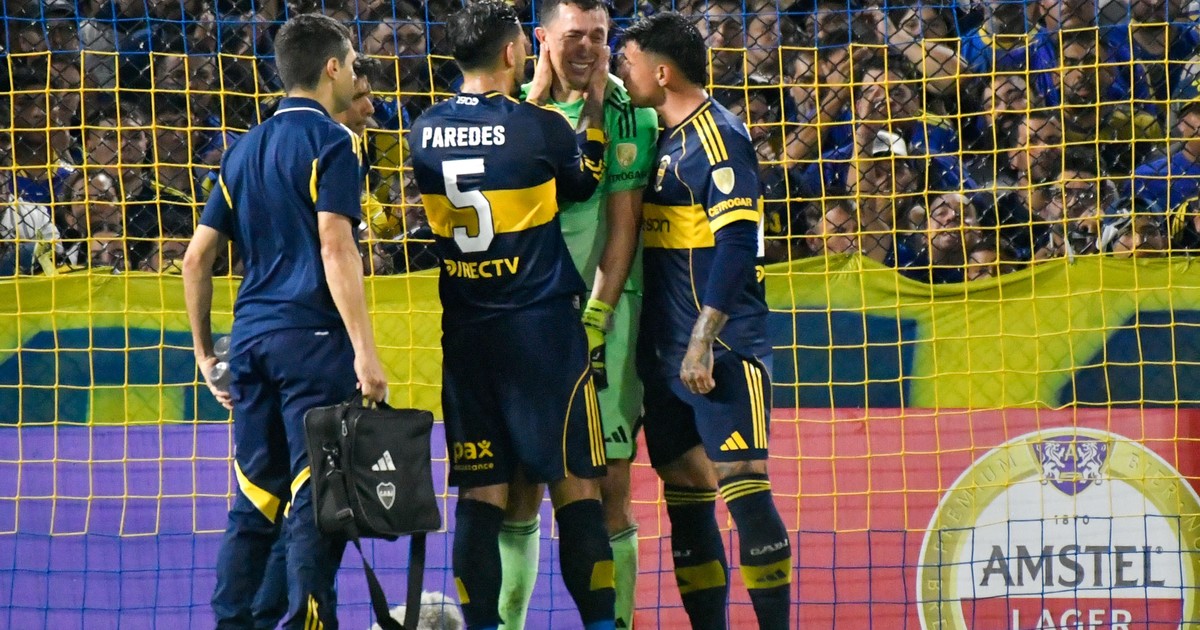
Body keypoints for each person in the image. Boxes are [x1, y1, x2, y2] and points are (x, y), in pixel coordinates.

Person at [407, 2, 615, 629]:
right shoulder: (541, 126)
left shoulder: (424, 130)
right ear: (510, 53)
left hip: (469, 336)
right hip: (543, 334)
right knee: (578, 487)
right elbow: (585, 180)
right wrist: (594, 110)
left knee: (481, 494)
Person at [182, 13, 388, 630]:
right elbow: (335, 246)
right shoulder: (334, 142)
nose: (355, 76)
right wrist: (365, 351)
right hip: (313, 341)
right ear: (333, 67)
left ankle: (234, 621)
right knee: (315, 497)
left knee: (253, 499)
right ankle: (307, 620)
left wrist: (205, 355)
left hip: (250, 340)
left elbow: (196, 259)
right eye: (352, 65)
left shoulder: (243, 149)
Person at [618, 12, 792, 630]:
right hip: (664, 357)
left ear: (663, 72)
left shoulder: (720, 138)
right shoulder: (661, 140)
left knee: (745, 490)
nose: (622, 74)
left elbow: (738, 246)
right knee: (686, 498)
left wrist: (702, 342)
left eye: (628, 63)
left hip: (720, 351)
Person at [497, 1, 658, 628]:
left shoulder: (626, 112)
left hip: (603, 323)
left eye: (598, 35)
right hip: (525, 320)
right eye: (573, 36)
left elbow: (624, 226)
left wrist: (596, 317)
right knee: (520, 485)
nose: (587, 47)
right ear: (541, 37)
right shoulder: (512, 110)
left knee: (608, 484)